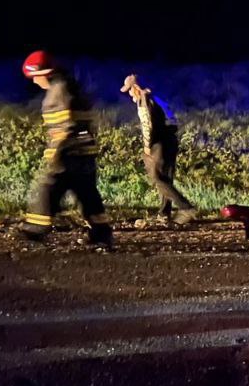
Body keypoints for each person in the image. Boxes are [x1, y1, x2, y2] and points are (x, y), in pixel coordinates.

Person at [20, 51, 113, 247]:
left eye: (35, 78)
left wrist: (55, 153)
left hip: (68, 153)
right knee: (87, 193)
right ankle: (101, 232)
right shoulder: (74, 88)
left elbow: (64, 127)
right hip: (85, 152)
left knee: (47, 187)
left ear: (44, 73)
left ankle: (36, 228)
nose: (36, 82)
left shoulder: (58, 91)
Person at [120, 73, 195, 225]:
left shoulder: (143, 99)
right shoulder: (156, 97)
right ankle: (164, 213)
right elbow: (172, 117)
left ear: (136, 87)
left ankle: (186, 208)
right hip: (170, 138)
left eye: (129, 89)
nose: (129, 93)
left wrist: (147, 146)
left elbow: (148, 125)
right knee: (166, 177)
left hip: (158, 141)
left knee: (157, 177)